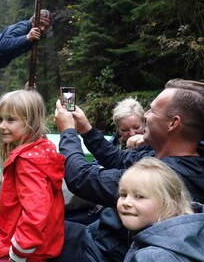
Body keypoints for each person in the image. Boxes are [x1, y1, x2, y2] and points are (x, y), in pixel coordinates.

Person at [52, 78, 204, 261]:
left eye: (152, 110)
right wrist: (86, 129)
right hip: (102, 236)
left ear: (173, 123)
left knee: (38, 237)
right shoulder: (168, 153)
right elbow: (117, 158)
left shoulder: (164, 176)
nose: (145, 115)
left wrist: (68, 132)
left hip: (102, 252)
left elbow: (81, 179)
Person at [0, 90, 65, 261]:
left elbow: (36, 212)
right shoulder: (42, 150)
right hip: (40, 246)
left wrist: (17, 253)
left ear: (30, 121)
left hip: (23, 251)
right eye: (0, 119)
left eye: (10, 119)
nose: (1, 125)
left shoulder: (26, 162)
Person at [117, 157, 204, 261]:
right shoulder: (194, 235)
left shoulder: (151, 257)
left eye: (139, 196)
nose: (126, 202)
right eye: (123, 194)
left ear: (170, 207)